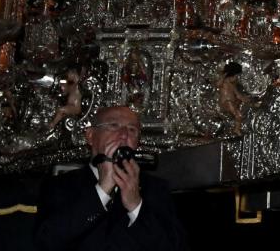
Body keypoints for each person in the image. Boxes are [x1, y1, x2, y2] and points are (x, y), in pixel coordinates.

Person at [34, 105, 186, 251]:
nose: (124, 134)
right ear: (90, 136)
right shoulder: (60, 186)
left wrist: (135, 205)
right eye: (113, 125)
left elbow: (173, 246)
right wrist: (101, 191)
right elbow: (47, 241)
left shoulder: (155, 188)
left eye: (132, 129)